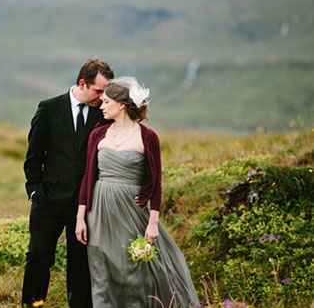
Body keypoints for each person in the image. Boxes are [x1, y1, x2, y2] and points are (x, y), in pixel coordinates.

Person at [76, 77, 200, 308]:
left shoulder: (148, 137)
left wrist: (153, 223)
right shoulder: (98, 134)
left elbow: (155, 183)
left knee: (134, 269)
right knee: (101, 269)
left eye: (106, 102)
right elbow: (88, 177)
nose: (101, 106)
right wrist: (80, 217)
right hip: (100, 211)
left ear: (121, 104)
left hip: (132, 211)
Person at [22, 58, 114, 308]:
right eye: (99, 90)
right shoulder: (49, 109)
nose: (103, 96)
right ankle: (32, 303)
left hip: (85, 204)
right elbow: (33, 157)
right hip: (48, 201)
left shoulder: (104, 113)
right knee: (39, 257)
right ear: (82, 83)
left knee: (80, 264)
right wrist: (35, 192)